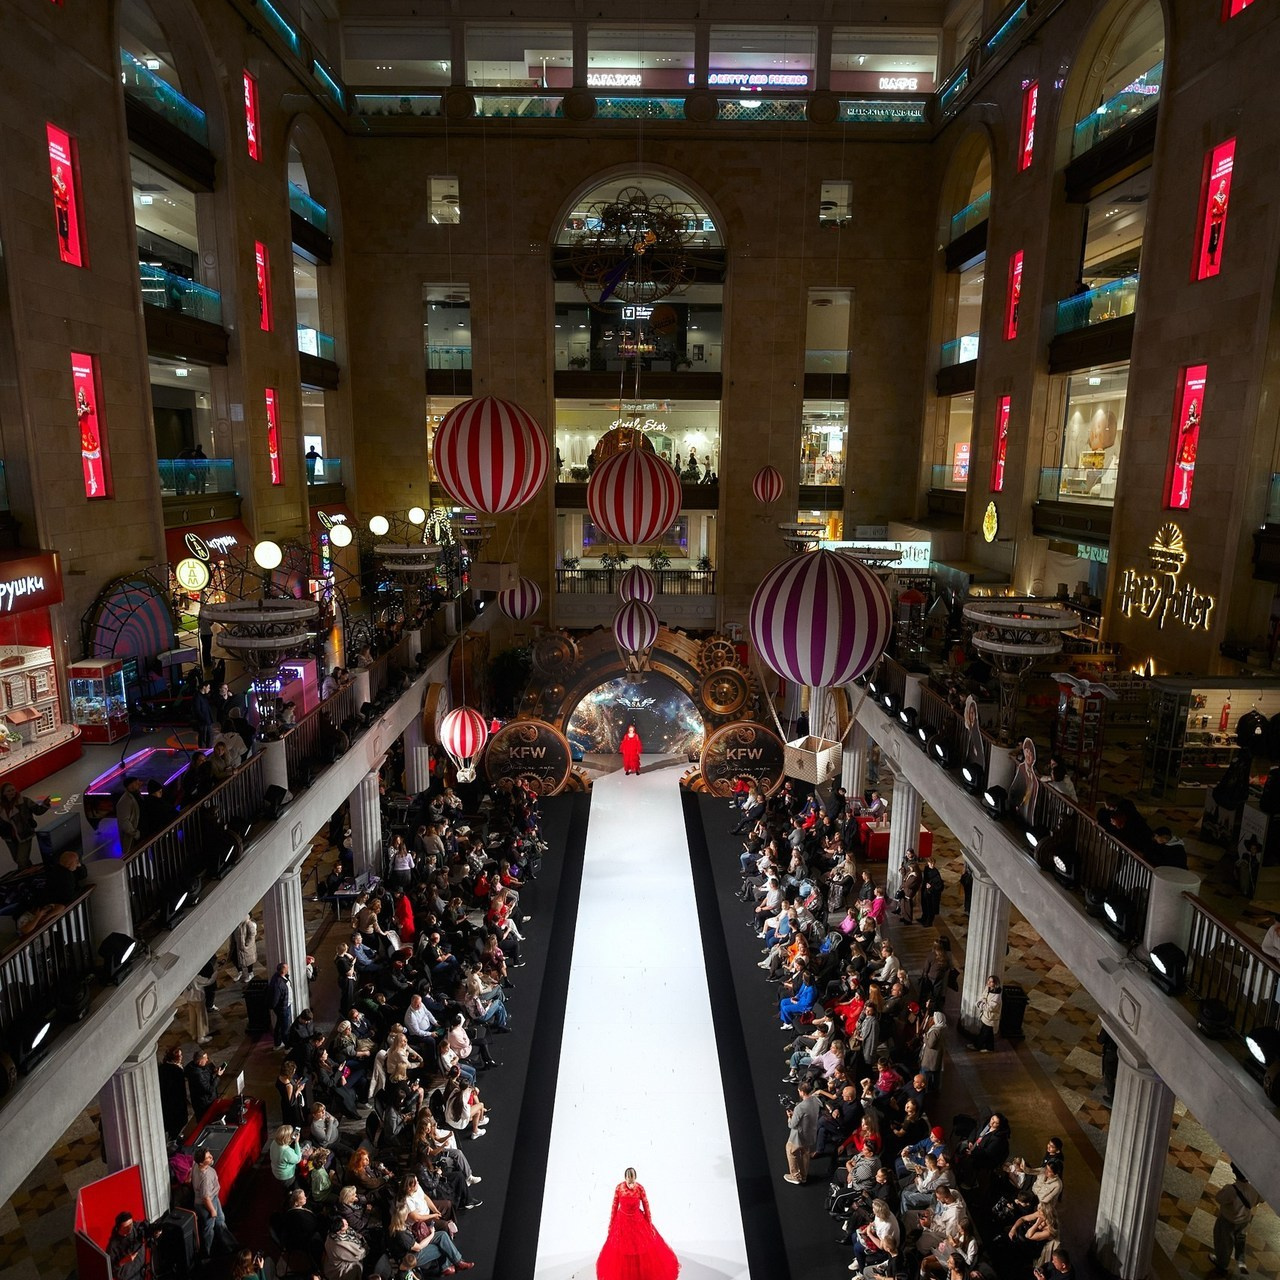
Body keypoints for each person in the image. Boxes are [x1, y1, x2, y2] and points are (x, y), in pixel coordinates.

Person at [595, 1166, 679, 1280]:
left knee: (640, 1247)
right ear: (625, 1178)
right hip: (622, 1223)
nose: (630, 1182)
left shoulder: (640, 1188)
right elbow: (614, 1206)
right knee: (621, 1249)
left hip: (638, 1222)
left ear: (635, 1178)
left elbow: (646, 1205)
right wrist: (611, 1224)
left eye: (632, 1179)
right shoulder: (619, 1188)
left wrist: (649, 1224)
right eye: (628, 1179)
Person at [1211, 1162, 1259, 1275]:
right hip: (1245, 1220)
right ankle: (1240, 1260)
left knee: (1224, 1242)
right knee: (1240, 1239)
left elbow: (1219, 1198)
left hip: (1229, 1220)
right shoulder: (1254, 1188)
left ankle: (1222, 1265)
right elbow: (1260, 1200)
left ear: (1234, 1172)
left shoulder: (1231, 1189)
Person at [192, 1146, 237, 1260]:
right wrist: (212, 1210)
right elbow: (205, 1198)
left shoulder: (196, 1165)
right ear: (201, 1163)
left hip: (212, 1199)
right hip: (207, 1204)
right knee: (209, 1230)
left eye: (210, 1154)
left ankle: (230, 1246)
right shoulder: (205, 1177)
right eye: (208, 1157)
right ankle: (206, 1254)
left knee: (220, 1222)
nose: (211, 1157)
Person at [0, 782, 49, 870]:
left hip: (24, 834)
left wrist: (45, 805)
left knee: (21, 860)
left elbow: (38, 811)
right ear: (3, 793)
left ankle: (26, 878)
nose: (12, 792)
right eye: (9, 791)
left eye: (13, 790)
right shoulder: (1, 806)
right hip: (9, 837)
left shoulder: (24, 801)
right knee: (18, 860)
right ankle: (31, 872)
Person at [783, 1079, 820, 1185]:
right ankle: (804, 1176)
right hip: (810, 1134)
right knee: (805, 1153)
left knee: (790, 1151)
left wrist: (790, 1117)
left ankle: (795, 1176)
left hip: (799, 1137)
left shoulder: (800, 1107)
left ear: (802, 1092)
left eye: (799, 1091)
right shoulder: (816, 1100)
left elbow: (792, 1125)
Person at [106, 1212, 149, 1280]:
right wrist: (123, 1261)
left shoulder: (136, 1228)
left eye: (130, 1224)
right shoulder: (113, 1246)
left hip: (142, 1273)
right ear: (118, 1228)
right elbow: (111, 1271)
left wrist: (155, 1233)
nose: (130, 1228)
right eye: (126, 1227)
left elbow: (147, 1229)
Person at [158, 1045, 189, 1139]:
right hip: (175, 1100)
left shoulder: (162, 1067)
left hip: (166, 1100)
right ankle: (174, 1137)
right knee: (177, 1120)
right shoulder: (177, 1071)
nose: (182, 1057)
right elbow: (179, 1088)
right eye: (180, 1055)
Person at [971, 976, 1002, 1052]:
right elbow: (983, 996)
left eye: (991, 982)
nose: (988, 982)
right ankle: (990, 1047)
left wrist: (980, 1005)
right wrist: (983, 1001)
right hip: (986, 1015)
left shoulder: (996, 996)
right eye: (988, 980)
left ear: (995, 984)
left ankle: (977, 1046)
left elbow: (991, 1007)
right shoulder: (988, 988)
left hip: (991, 1017)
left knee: (984, 1033)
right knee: (989, 1032)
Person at [116, 775, 144, 856]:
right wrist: (135, 834)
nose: (140, 784)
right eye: (137, 782)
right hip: (134, 840)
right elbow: (124, 822)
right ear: (130, 785)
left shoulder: (137, 795)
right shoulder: (125, 801)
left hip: (139, 835)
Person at [268, 961, 293, 1049]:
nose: (288, 969)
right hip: (283, 1009)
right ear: (283, 971)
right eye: (287, 968)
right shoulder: (278, 984)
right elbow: (275, 1000)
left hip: (285, 1006)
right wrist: (279, 1009)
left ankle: (277, 1043)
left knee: (279, 1025)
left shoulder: (279, 976)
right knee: (284, 1028)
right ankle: (287, 1046)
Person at [233, 915, 258, 983]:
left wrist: (246, 944)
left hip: (246, 946)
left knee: (248, 960)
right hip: (237, 944)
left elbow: (252, 933)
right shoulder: (236, 922)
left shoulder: (248, 923)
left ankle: (250, 973)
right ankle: (240, 971)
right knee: (235, 958)